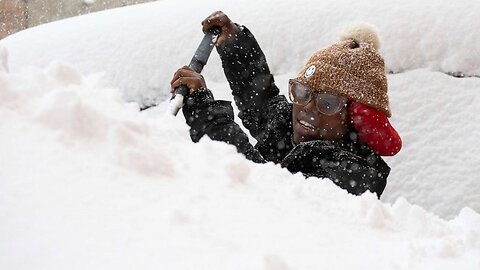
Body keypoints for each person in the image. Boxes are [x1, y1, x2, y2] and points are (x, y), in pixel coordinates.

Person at [170, 11, 402, 198]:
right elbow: (261, 101)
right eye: (302, 92)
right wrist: (235, 44)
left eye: (328, 103)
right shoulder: (291, 129)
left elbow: (264, 197)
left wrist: (207, 114)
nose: (307, 108)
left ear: (355, 118)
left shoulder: (354, 176)